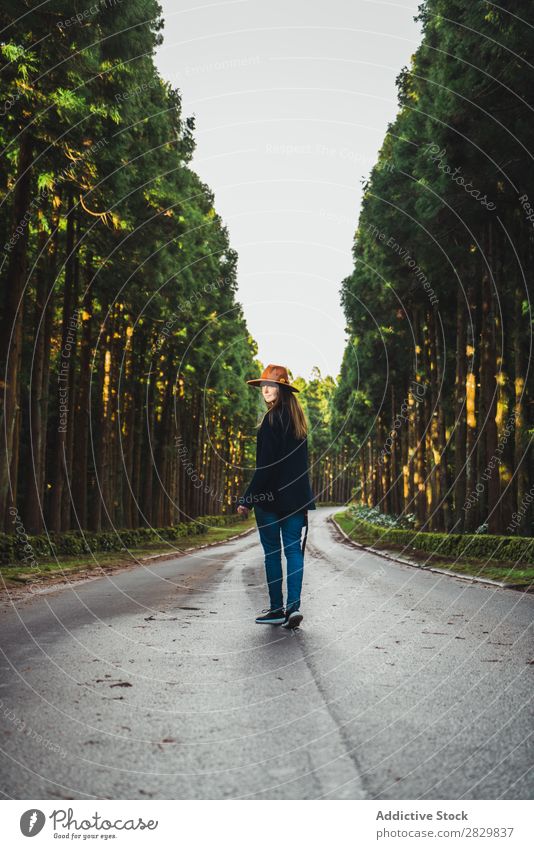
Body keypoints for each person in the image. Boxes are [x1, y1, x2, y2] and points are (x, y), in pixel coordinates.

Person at [237, 364, 316, 629]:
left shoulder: (270, 422)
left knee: (273, 553)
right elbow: (300, 469)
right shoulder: (299, 424)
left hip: (269, 501)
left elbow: (265, 468)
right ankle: (293, 608)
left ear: (282, 390)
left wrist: (247, 498)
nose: (266, 390)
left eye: (271, 386)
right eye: (263, 386)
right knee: (293, 551)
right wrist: (304, 502)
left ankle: (276, 609)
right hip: (294, 500)